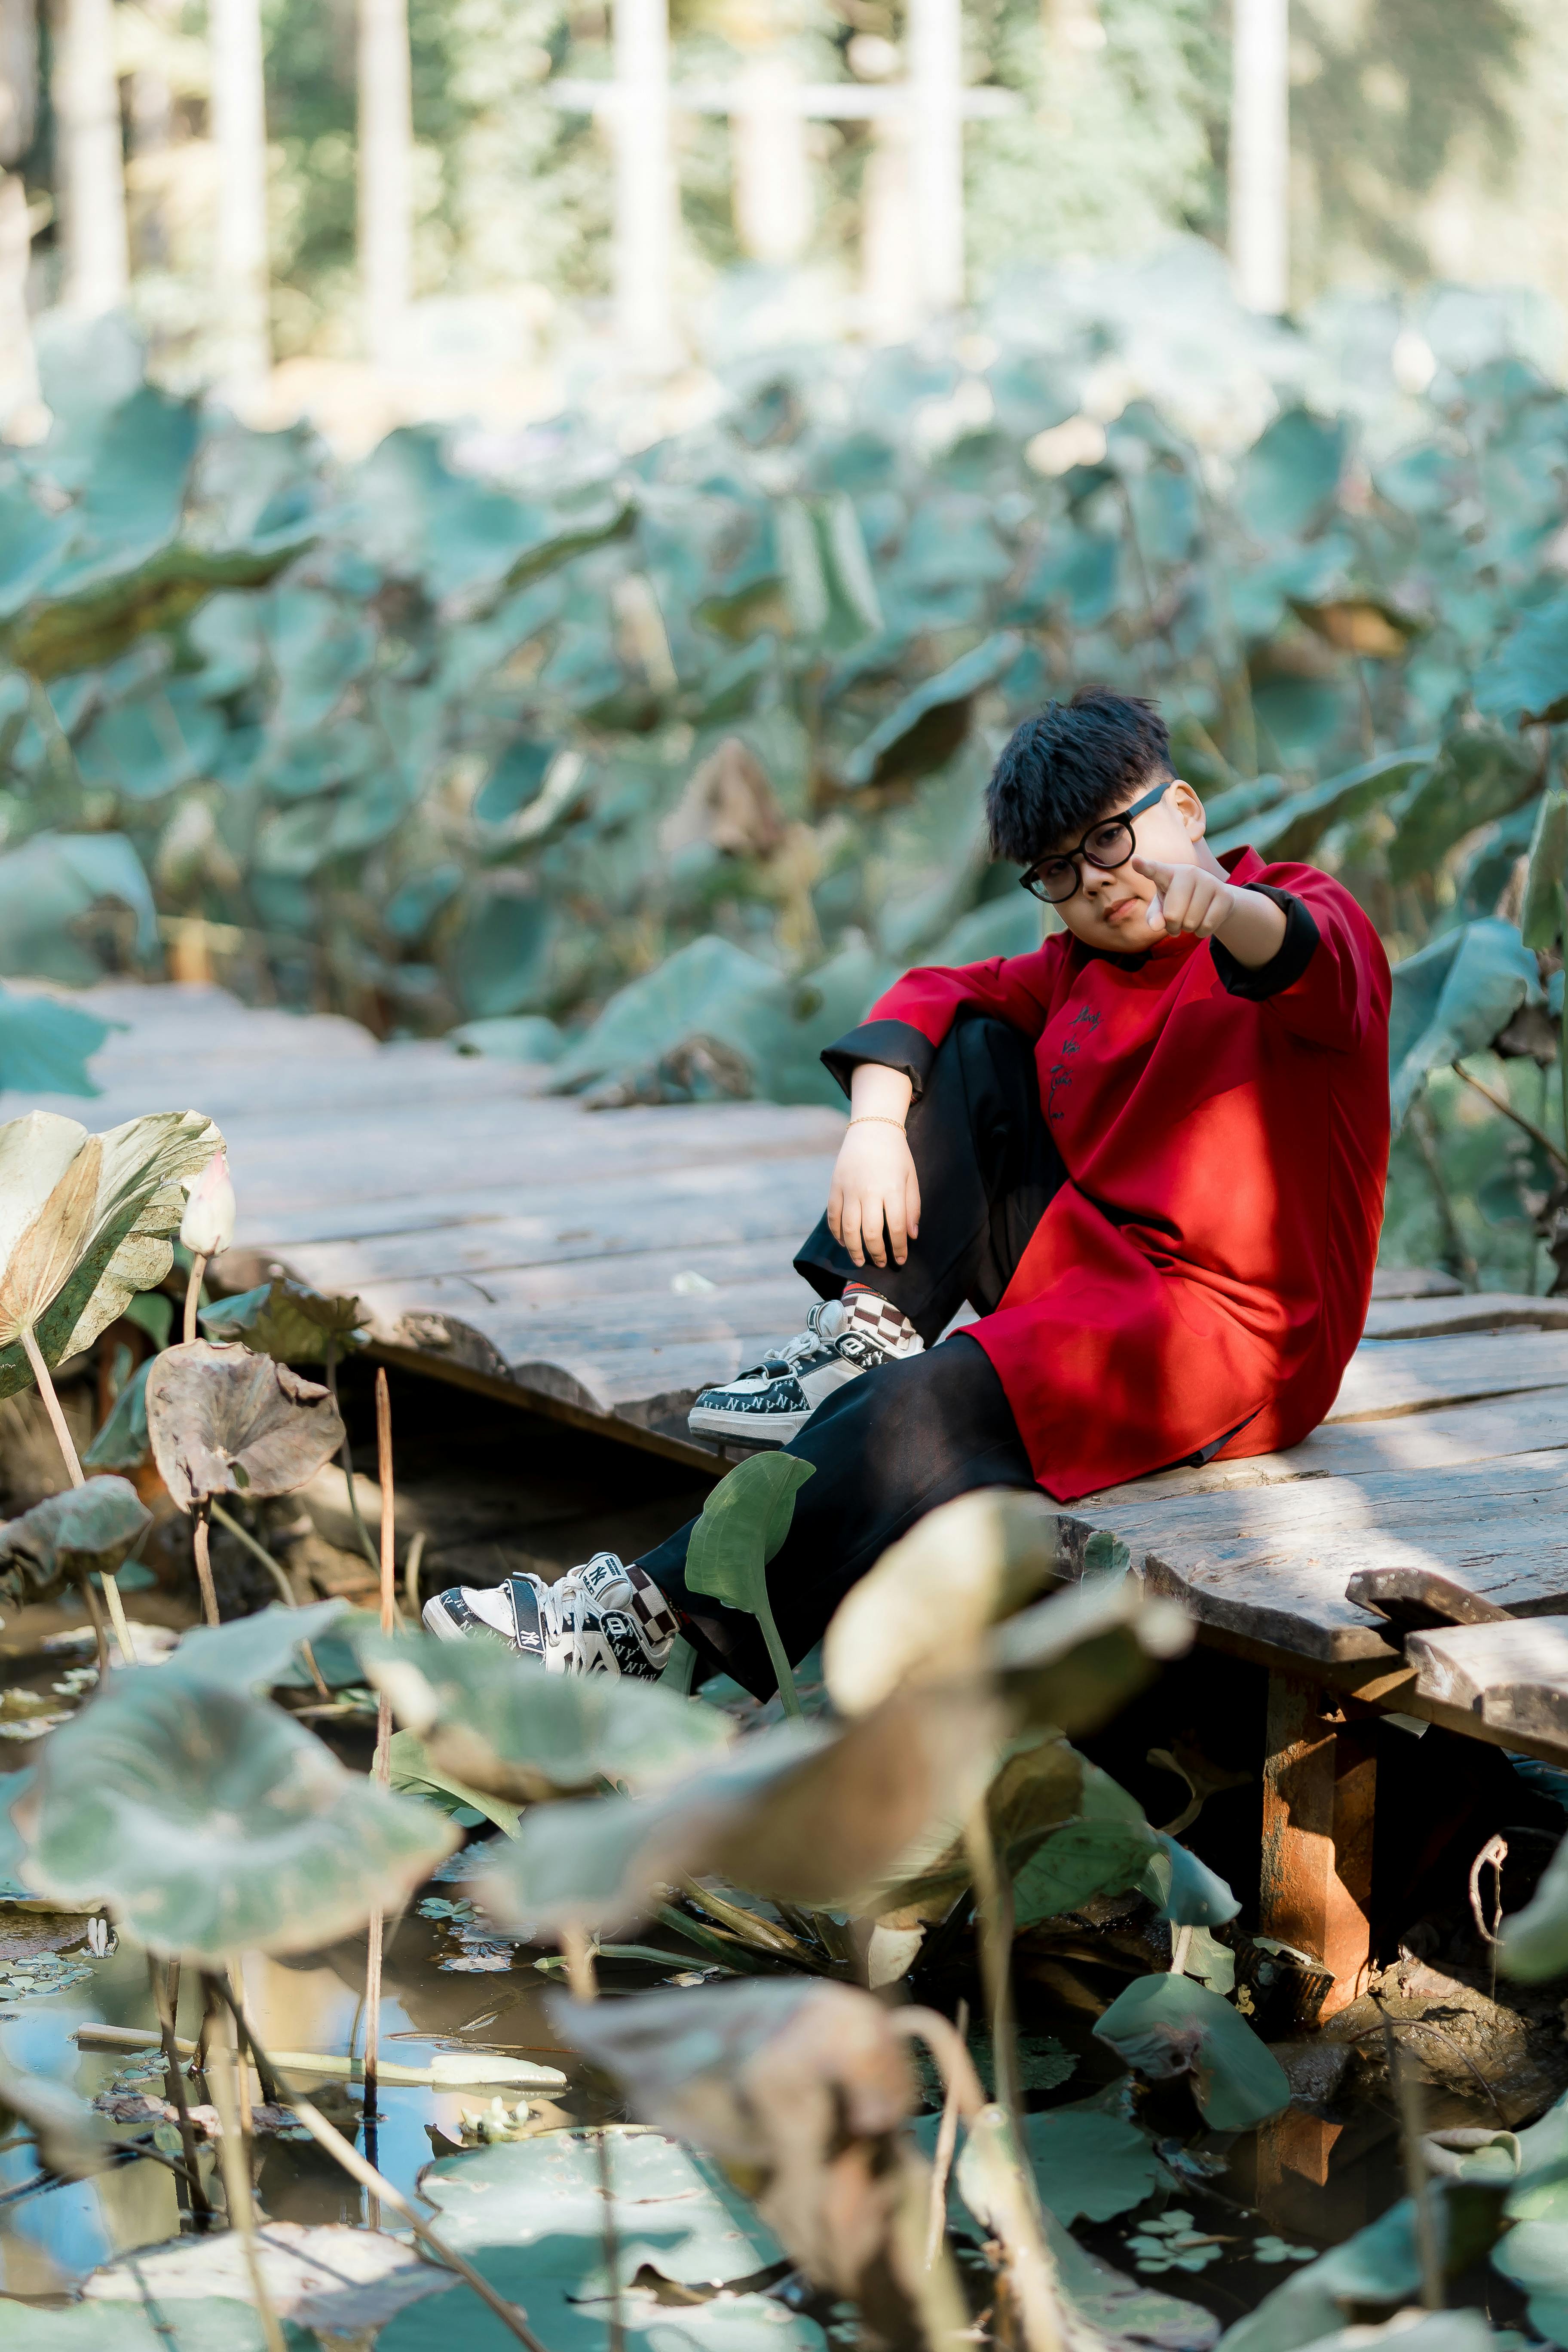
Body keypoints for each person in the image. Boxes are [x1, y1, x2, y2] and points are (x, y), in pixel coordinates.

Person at [423, 690, 1391, 1691]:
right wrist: (875, 1128)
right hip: (1103, 1279)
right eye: (1059, 871)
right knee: (970, 1044)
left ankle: (640, 1626)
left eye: (1111, 839)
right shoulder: (1081, 966)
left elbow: (1302, 954)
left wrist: (1221, 910)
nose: (1097, 882)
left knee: (917, 1411)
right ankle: (867, 1327)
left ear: (1184, 810)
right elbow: (936, 991)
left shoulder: (1305, 912)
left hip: (1234, 1340)